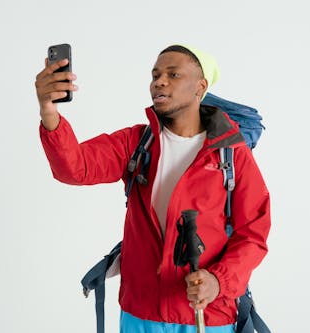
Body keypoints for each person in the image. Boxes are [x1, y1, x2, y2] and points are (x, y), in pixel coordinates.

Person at [35, 44, 271, 333]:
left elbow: (253, 235)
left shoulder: (231, 154)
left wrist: (218, 281)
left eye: (173, 74)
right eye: (156, 74)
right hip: (141, 314)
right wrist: (48, 110)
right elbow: (75, 167)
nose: (159, 81)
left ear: (200, 87)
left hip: (207, 316)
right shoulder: (136, 143)